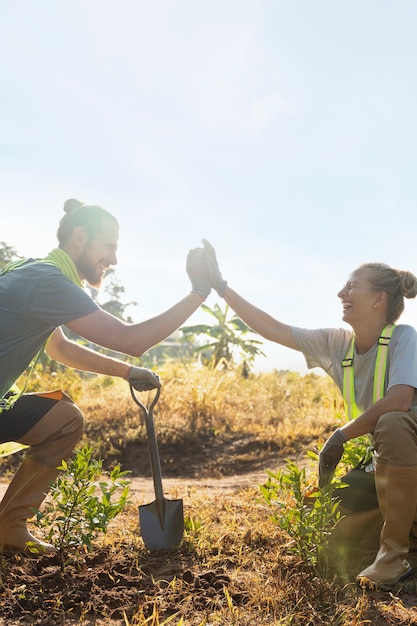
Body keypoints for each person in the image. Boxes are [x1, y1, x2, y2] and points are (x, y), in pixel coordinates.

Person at [198, 239, 417, 587]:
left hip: (409, 456)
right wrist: (221, 287)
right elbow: (272, 329)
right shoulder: (336, 343)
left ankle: (393, 559)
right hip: (388, 469)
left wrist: (342, 433)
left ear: (379, 299)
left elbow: (399, 401)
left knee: (391, 422)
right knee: (322, 514)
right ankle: (402, 524)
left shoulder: (403, 337)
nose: (340, 292)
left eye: (351, 287)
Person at [0, 199, 211, 554]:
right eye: (109, 247)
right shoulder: (46, 281)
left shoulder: (34, 273)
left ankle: (8, 528)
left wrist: (127, 372)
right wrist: (199, 293)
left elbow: (60, 349)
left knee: (63, 419)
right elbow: (132, 339)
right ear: (80, 237)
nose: (113, 260)